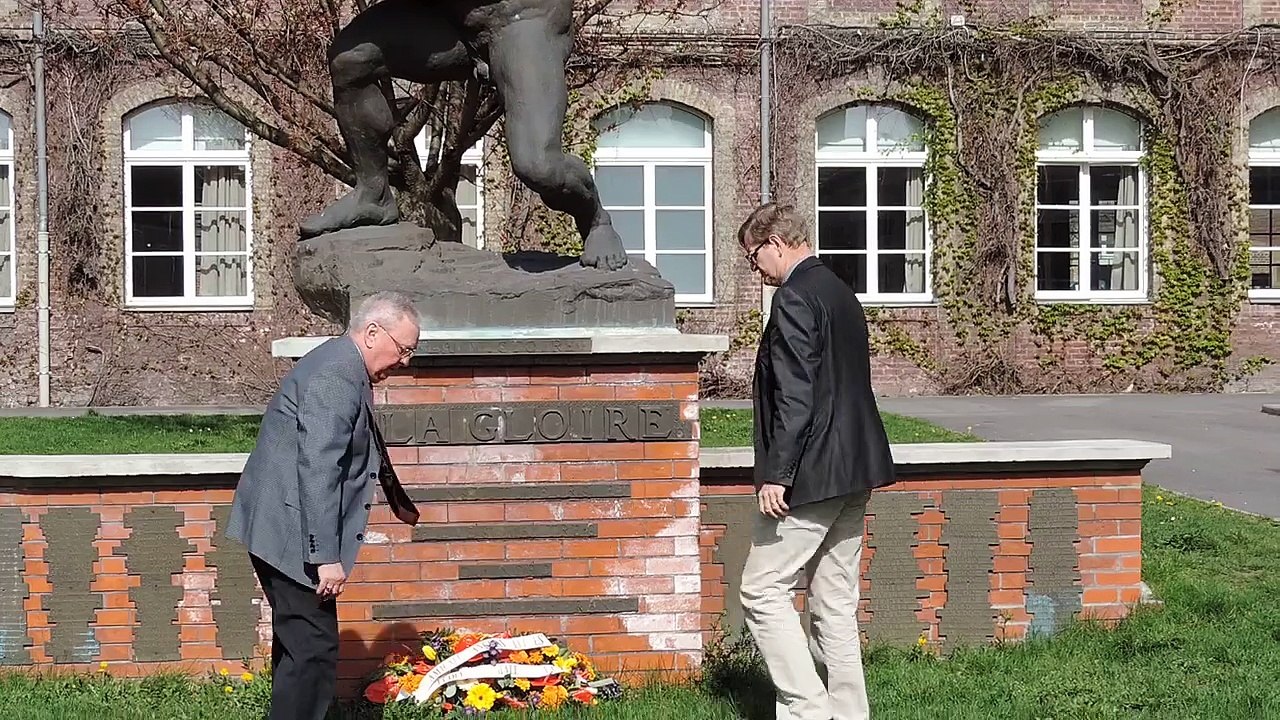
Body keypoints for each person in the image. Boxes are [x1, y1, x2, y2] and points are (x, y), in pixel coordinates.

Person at [225, 291, 422, 720]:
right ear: (372, 333)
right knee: (313, 652)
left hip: (283, 525)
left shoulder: (344, 366)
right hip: (292, 534)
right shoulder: (336, 374)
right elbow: (318, 466)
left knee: (301, 649)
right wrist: (325, 556)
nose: (405, 360)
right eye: (403, 349)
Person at [736, 203, 897, 720]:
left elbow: (796, 398)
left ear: (776, 242)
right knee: (833, 601)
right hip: (856, 469)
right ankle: (849, 713)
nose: (754, 269)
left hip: (811, 474)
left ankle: (809, 710)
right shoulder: (840, 291)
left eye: (753, 256)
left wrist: (776, 475)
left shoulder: (794, 297)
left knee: (761, 590)